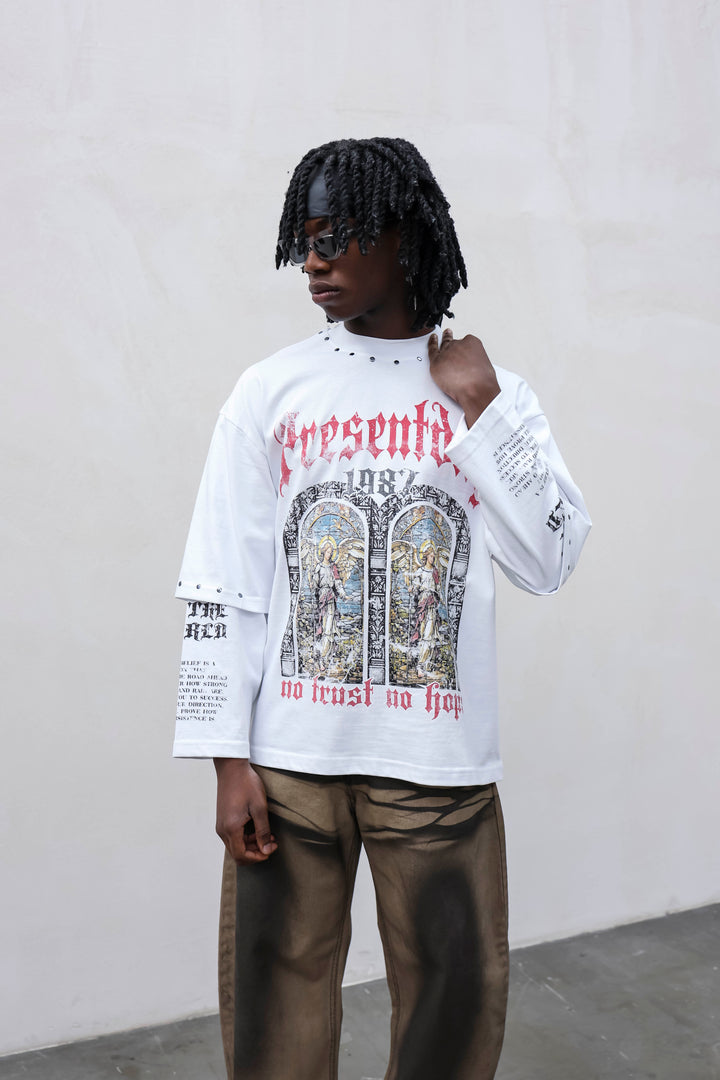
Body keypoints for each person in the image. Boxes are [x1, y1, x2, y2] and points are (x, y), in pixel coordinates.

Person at [174, 137, 591, 1080]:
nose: (313, 259)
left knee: (455, 1004)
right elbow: (221, 580)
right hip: (291, 765)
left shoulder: (491, 396)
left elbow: (552, 557)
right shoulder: (271, 391)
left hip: (436, 767)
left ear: (403, 238)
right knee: (275, 1008)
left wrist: (483, 411)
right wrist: (226, 759)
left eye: (338, 235)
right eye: (306, 237)